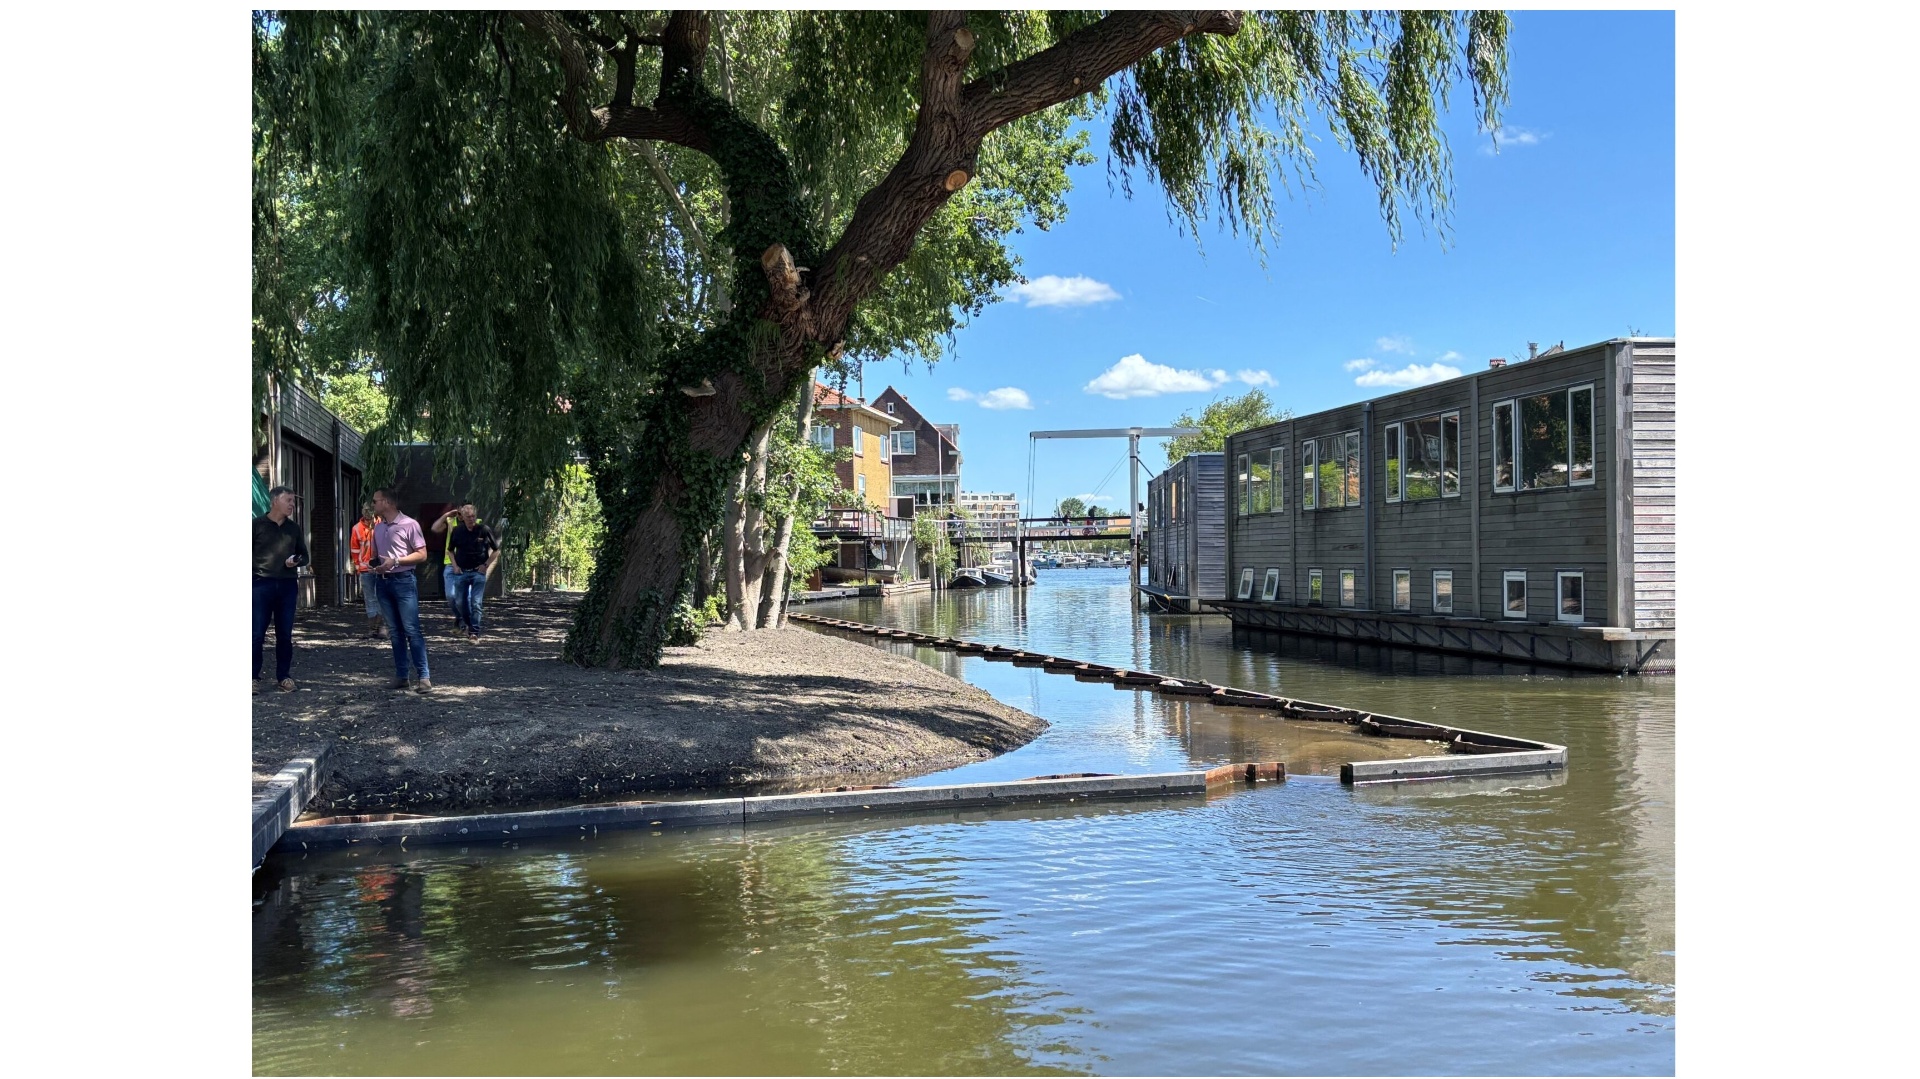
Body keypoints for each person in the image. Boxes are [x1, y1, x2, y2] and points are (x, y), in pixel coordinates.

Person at [368, 488, 433, 693]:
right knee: (395, 632)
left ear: (387, 502)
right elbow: (376, 555)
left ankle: (424, 677)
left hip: (404, 581)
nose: (373, 504)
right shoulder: (378, 528)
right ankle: (402, 676)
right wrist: (376, 565)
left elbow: (422, 554)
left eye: (376, 501)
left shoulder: (409, 524)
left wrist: (396, 561)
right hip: (383, 582)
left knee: (412, 629)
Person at [252, 485, 308, 692]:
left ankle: (284, 676)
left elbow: (305, 555)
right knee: (256, 633)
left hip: (287, 586)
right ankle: (252, 677)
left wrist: (297, 561)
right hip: (260, 585)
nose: (292, 505)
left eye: (293, 501)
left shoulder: (294, 529)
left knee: (285, 634)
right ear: (275, 501)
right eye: (289, 500)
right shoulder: (256, 525)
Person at [433, 503, 500, 640]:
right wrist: (455, 566)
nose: (471, 519)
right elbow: (449, 548)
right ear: (461, 516)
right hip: (460, 571)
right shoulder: (456, 529)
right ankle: (465, 622)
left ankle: (474, 632)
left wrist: (486, 565)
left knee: (475, 602)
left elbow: (496, 550)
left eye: (473, 516)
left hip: (478, 572)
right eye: (467, 516)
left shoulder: (483, 529)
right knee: (458, 600)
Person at [348, 501, 386, 639]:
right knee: (370, 599)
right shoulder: (357, 528)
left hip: (381, 567)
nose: (367, 513)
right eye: (365, 510)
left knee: (380, 597)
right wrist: (358, 567)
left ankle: (380, 627)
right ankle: (374, 628)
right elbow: (354, 550)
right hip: (366, 568)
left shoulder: (382, 525)